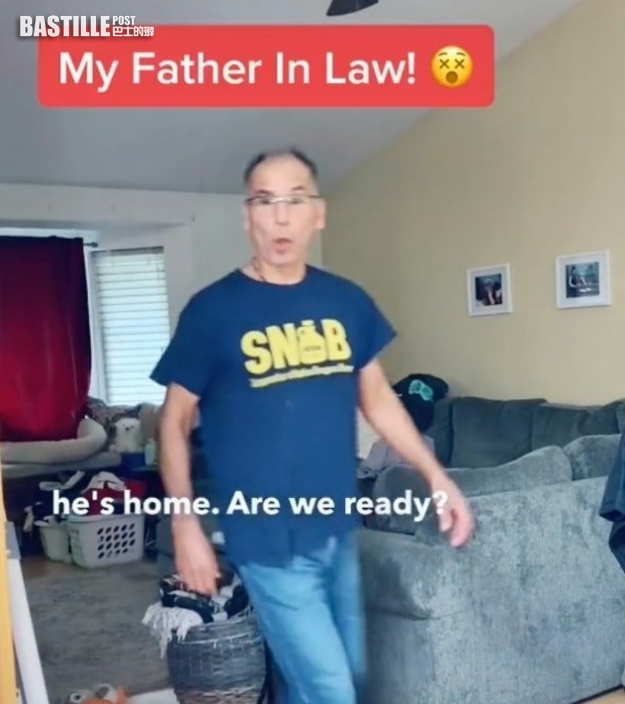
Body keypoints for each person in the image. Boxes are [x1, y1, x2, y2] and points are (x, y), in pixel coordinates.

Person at [151, 148, 474, 704]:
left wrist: (436, 477)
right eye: (265, 201)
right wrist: (185, 524)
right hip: (266, 539)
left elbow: (378, 399)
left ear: (317, 213)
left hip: (337, 527)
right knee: (331, 688)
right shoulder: (213, 311)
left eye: (295, 200)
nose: (281, 216)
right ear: (247, 216)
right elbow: (173, 420)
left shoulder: (345, 301)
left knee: (336, 676)